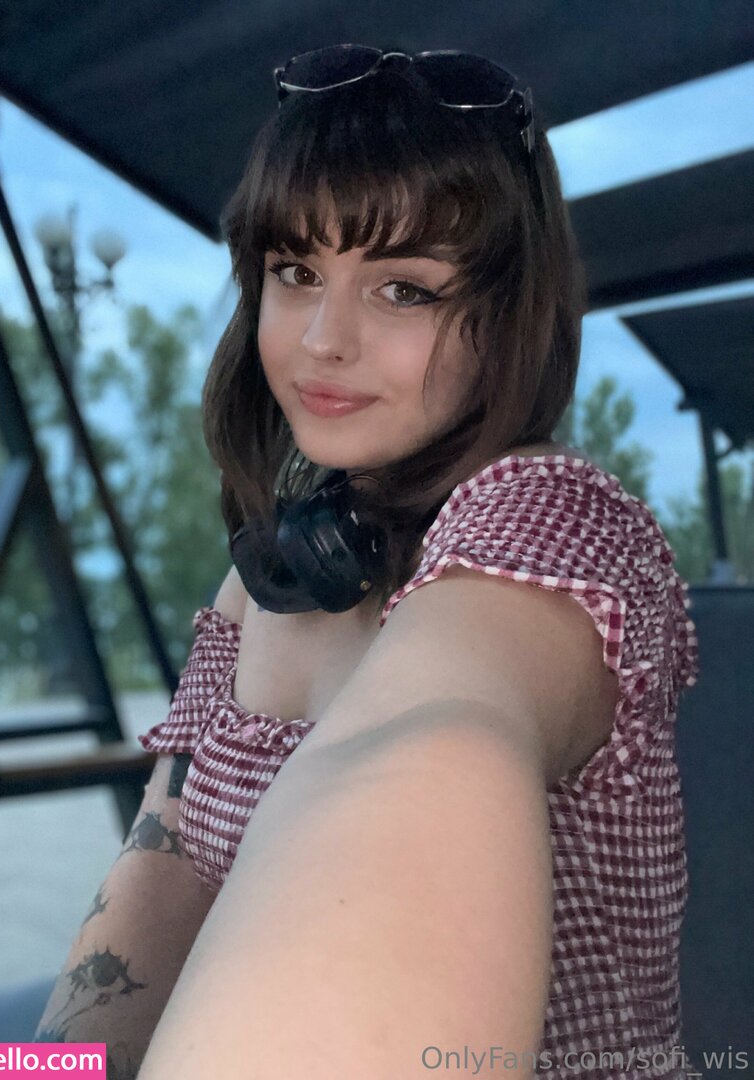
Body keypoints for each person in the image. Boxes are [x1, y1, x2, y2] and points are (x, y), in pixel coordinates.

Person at [35, 45, 701, 1079]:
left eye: (403, 289)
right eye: (296, 272)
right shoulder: (265, 580)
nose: (322, 339)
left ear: (508, 317)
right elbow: (141, 916)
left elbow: (430, 740)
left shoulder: (552, 530)